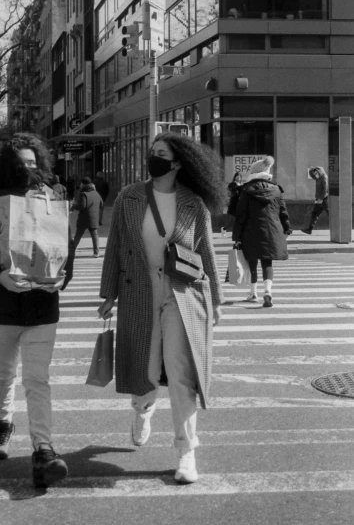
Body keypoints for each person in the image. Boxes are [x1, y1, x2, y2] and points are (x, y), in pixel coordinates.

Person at [98, 133, 226, 485]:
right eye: (152, 153)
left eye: (161, 154)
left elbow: (207, 253)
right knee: (146, 366)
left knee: (182, 373)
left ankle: (186, 452)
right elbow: (116, 247)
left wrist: (215, 298)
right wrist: (108, 293)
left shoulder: (193, 203)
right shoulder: (130, 197)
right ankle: (143, 408)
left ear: (179, 163)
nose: (154, 159)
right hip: (139, 289)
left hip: (183, 293)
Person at [0, 133, 74, 488]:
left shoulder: (52, 199)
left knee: (38, 379)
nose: (28, 168)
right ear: (7, 166)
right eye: (20, 162)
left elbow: (64, 251)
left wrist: (62, 278)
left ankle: (44, 448)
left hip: (42, 305)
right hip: (1, 304)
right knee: (3, 371)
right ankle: (3, 426)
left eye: (33, 162)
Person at [232, 156, 292, 308]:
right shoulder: (276, 189)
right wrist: (287, 228)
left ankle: (253, 293)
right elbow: (283, 211)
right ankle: (268, 291)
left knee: (251, 262)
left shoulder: (246, 190)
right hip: (271, 230)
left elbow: (241, 215)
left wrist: (237, 236)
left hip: (250, 231)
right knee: (267, 262)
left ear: (253, 172)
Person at [72, 176, 102, 257]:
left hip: (84, 218)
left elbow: (82, 206)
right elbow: (101, 203)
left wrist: (74, 206)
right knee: (94, 235)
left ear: (83, 184)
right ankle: (96, 252)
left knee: (78, 235)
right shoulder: (96, 193)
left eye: (81, 183)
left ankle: (72, 251)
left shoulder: (83, 194)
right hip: (94, 217)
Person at [301, 167, 329, 235]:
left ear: (317, 172)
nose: (314, 178)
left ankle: (337, 228)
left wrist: (321, 199)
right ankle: (309, 229)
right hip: (318, 199)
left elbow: (325, 189)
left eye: (314, 175)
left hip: (324, 199)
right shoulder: (318, 178)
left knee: (330, 214)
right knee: (315, 213)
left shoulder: (324, 177)